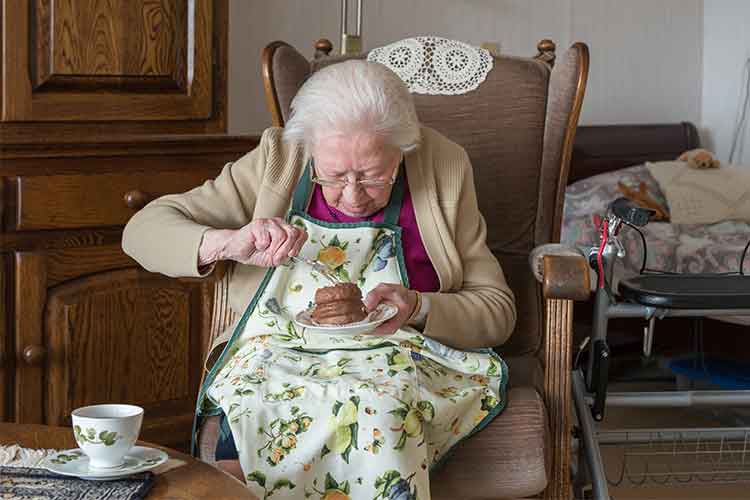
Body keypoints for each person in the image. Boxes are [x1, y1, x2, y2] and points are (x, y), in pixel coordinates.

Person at [123, 60, 516, 499]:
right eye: (333, 176)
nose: (352, 195)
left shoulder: (444, 165)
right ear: (309, 150)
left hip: (400, 357)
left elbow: (497, 310)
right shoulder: (280, 159)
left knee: (378, 409)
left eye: (371, 176)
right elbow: (142, 230)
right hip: (276, 354)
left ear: (403, 149)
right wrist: (227, 242)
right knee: (255, 405)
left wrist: (419, 307)